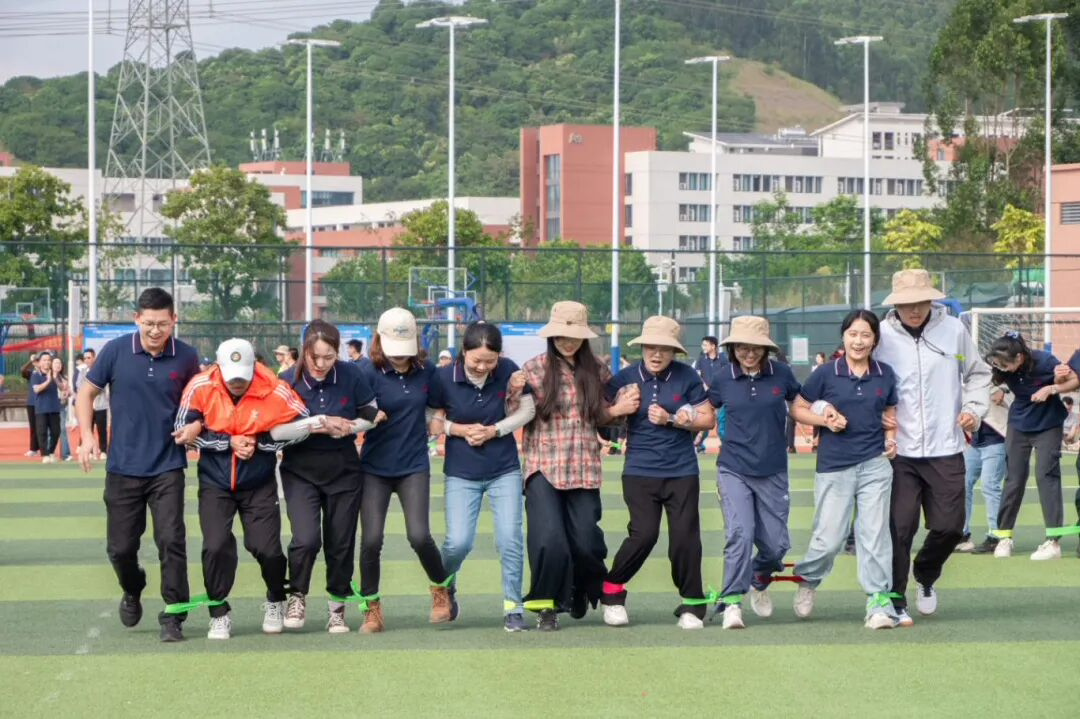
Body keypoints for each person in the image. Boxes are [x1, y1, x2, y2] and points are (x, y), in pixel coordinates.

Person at [75, 288, 201, 642]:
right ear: (137, 319)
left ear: (174, 320)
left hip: (167, 466)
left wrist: (197, 425)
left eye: (162, 323)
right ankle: (133, 587)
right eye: (148, 323)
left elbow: (202, 402)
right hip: (122, 467)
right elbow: (86, 393)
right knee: (120, 549)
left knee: (171, 540)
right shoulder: (115, 351)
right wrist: (86, 435)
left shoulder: (187, 357)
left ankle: (174, 615)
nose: (155, 330)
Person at [873, 269, 990, 626]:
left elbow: (978, 374)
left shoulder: (954, 330)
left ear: (931, 300)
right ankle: (895, 597)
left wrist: (973, 410)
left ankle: (925, 573)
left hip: (946, 447)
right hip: (898, 452)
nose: (914, 310)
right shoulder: (880, 335)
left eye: (921, 302)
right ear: (896, 304)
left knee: (951, 527)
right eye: (906, 303)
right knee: (899, 529)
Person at [513, 302, 638, 631]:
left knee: (586, 541)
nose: (567, 342)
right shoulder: (533, 369)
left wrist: (620, 408)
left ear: (584, 337)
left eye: (573, 336)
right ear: (551, 336)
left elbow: (608, 414)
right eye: (560, 336)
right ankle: (547, 605)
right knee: (548, 539)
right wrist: (512, 392)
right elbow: (516, 411)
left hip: (583, 465)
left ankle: (581, 587)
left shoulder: (597, 369)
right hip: (543, 465)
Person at [174, 338, 311, 639]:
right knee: (215, 546)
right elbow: (182, 429)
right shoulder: (200, 385)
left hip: (258, 483)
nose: (237, 383)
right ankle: (219, 612)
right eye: (231, 377)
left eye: (243, 376)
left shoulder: (275, 388)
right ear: (218, 367)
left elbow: (303, 425)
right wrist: (227, 442)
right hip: (215, 482)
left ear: (254, 368)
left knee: (268, 550)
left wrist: (261, 443)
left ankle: (275, 598)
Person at [601, 316, 716, 630]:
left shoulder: (687, 376)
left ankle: (693, 603)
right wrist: (618, 410)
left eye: (664, 348)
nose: (656, 354)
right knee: (644, 535)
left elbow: (707, 419)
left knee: (685, 539)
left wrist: (674, 419)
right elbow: (599, 416)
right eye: (651, 347)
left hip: (682, 471)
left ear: (674, 351)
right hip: (639, 471)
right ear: (642, 347)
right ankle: (612, 592)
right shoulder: (623, 378)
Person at [789, 310, 900, 630]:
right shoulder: (826, 373)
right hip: (835, 467)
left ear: (875, 340)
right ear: (844, 336)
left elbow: (890, 412)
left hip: (875, 464)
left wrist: (891, 439)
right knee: (830, 538)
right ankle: (808, 580)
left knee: (874, 535)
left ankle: (878, 601)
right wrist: (824, 421)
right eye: (853, 334)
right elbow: (798, 408)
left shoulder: (885, 374)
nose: (859, 341)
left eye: (866, 335)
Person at [428, 321, 536, 632]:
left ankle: (513, 607)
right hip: (461, 471)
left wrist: (494, 430)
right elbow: (431, 419)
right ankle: (445, 586)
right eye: (477, 360)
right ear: (464, 352)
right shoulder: (443, 377)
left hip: (504, 469)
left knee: (510, 539)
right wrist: (459, 430)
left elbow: (527, 411)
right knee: (458, 542)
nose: (482, 367)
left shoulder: (509, 370)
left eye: (490, 361)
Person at [356, 308, 455, 633]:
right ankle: (372, 608)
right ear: (379, 340)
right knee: (371, 540)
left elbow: (440, 403)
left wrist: (437, 421)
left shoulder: (428, 372)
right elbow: (353, 406)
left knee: (419, 535)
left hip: (413, 465)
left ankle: (441, 590)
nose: (399, 356)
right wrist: (369, 414)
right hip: (374, 467)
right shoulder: (366, 371)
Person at [279, 320, 381, 633]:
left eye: (329, 357)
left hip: (344, 471)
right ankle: (296, 595)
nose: (321, 364)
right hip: (300, 471)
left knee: (340, 542)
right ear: (304, 352)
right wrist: (319, 423)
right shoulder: (286, 380)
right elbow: (275, 431)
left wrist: (349, 428)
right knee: (306, 539)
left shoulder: (352, 374)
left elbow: (371, 414)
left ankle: (337, 607)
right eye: (315, 357)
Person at [706, 316, 800, 630]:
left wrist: (825, 413)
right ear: (732, 348)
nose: (749, 353)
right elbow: (706, 409)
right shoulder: (722, 378)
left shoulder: (782, 374)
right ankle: (732, 601)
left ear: (766, 349)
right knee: (740, 533)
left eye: (756, 347)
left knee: (776, 547)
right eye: (742, 347)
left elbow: (800, 403)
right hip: (733, 468)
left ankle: (759, 576)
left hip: (773, 468)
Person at [985, 332, 1071, 560]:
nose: (1001, 368)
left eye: (1005, 364)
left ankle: (1053, 541)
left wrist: (1058, 380)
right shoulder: (1000, 367)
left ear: (1020, 357)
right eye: (998, 364)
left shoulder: (1045, 360)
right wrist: (999, 389)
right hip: (1019, 423)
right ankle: (1004, 537)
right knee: (1013, 479)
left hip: (1048, 422)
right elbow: (992, 380)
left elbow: (1067, 381)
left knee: (1046, 475)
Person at [955, 387, 1009, 555]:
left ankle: (996, 536)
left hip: (997, 439)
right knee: (962, 484)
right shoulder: (968, 381)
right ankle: (962, 535)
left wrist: (1003, 389)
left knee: (990, 486)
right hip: (976, 441)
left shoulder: (997, 377)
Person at [692, 335, 723, 454]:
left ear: (713, 346)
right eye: (702, 345)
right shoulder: (701, 360)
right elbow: (697, 375)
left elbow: (726, 375)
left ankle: (725, 445)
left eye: (705, 345)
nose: (703, 347)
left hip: (721, 395)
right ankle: (698, 444)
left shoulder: (723, 359)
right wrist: (706, 387)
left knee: (721, 419)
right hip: (705, 395)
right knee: (704, 419)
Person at [77, 348, 110, 460]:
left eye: (89, 357)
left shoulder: (101, 370)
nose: (87, 360)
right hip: (88, 406)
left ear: (94, 358)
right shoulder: (82, 372)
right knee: (88, 428)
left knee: (102, 429)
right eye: (85, 358)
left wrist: (92, 389)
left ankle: (103, 450)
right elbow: (79, 387)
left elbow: (104, 386)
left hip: (101, 405)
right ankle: (90, 451)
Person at [31, 351, 62, 463]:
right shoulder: (35, 375)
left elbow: (62, 387)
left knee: (56, 432)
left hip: (54, 408)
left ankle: (51, 452)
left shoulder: (55, 374)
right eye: (44, 360)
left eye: (49, 360)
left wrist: (55, 377)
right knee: (42, 432)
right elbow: (37, 389)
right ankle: (45, 455)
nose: (47, 362)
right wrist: (49, 380)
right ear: (39, 363)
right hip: (41, 408)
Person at [51, 355, 74, 461]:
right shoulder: (48, 377)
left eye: (59, 363)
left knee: (62, 429)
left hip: (61, 406)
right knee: (50, 430)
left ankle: (66, 453)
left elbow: (69, 391)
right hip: (50, 406)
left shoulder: (64, 378)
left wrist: (68, 393)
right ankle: (49, 453)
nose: (58, 365)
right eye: (55, 363)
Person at [20, 356, 40, 457]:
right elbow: (23, 369)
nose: (37, 363)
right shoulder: (31, 373)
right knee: (33, 427)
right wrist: (31, 361)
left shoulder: (46, 373)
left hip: (42, 403)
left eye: (38, 361)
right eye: (35, 361)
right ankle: (33, 449)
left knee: (43, 426)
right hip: (31, 403)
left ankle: (43, 448)